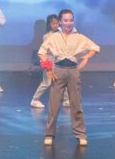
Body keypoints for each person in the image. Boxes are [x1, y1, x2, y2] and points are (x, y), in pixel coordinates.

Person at [39, 9, 99, 147]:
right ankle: (49, 134)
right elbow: (42, 52)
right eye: (65, 20)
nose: (68, 23)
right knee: (54, 104)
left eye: (71, 20)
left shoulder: (78, 36)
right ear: (60, 22)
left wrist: (86, 58)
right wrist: (48, 68)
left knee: (76, 104)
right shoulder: (53, 37)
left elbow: (95, 48)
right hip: (58, 70)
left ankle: (80, 134)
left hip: (73, 71)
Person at [30, 14, 70, 108]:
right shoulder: (47, 36)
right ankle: (35, 100)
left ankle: (66, 100)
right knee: (47, 82)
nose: (56, 25)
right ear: (49, 24)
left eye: (57, 23)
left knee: (61, 80)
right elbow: (46, 50)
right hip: (49, 61)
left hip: (59, 61)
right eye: (53, 23)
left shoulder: (61, 34)